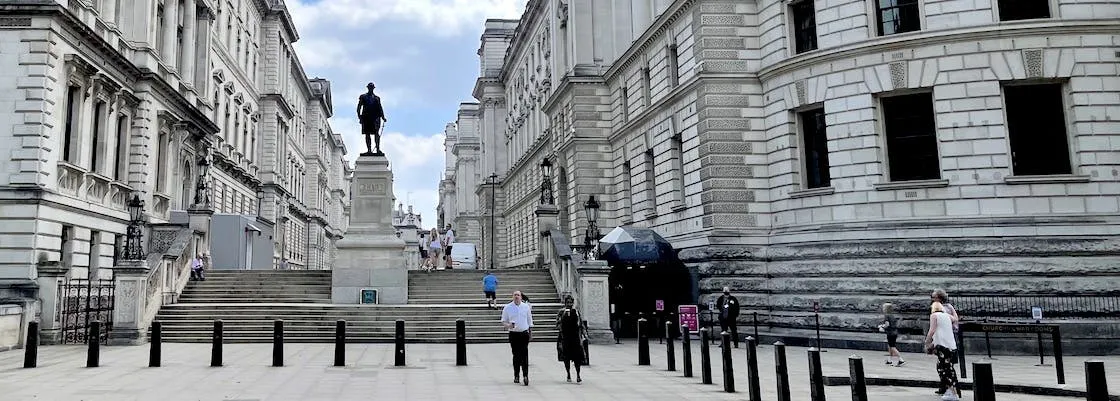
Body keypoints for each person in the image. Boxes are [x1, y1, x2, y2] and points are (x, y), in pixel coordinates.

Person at [927, 302, 960, 401]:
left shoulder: (934, 315)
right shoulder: (947, 316)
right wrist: (952, 309)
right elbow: (956, 318)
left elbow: (932, 330)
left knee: (945, 369)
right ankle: (952, 390)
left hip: (942, 346)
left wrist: (927, 341)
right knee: (946, 368)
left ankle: (951, 392)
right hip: (951, 346)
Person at [500, 291, 533, 386]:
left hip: (524, 333)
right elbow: (503, 321)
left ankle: (525, 375)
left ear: (521, 297)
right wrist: (508, 325)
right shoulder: (507, 307)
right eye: (515, 295)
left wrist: (530, 333)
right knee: (516, 355)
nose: (516, 297)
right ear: (512, 297)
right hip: (514, 334)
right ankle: (516, 375)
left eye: (518, 295)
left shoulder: (526, 307)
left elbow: (529, 320)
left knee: (524, 354)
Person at [555, 295, 587, 383]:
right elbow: (557, 324)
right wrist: (563, 318)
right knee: (566, 357)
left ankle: (578, 374)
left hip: (575, 336)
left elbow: (580, 323)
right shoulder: (561, 312)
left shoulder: (576, 311)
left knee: (577, 357)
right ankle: (568, 373)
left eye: (571, 302)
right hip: (565, 337)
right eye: (567, 302)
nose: (569, 304)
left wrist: (584, 333)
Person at [356, 82, 387, 155]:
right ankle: (369, 150)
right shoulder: (363, 96)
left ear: (373, 88)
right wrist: (359, 117)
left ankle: (378, 149)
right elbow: (359, 107)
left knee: (376, 133)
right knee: (367, 134)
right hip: (366, 117)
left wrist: (383, 117)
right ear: (368, 88)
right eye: (370, 87)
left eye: (372, 87)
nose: (371, 89)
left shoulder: (377, 98)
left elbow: (380, 108)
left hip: (375, 118)